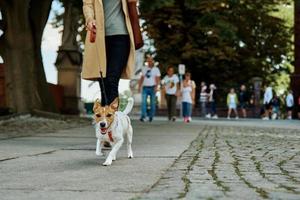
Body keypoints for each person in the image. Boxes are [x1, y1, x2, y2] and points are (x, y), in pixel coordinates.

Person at [82, 0, 137, 107]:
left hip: (121, 35)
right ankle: (105, 119)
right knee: (103, 81)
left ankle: (112, 121)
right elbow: (87, 4)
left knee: (112, 79)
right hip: (99, 37)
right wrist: (89, 19)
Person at [138, 56, 161, 122]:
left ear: (152, 61)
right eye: (148, 61)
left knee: (152, 103)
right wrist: (139, 87)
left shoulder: (156, 69)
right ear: (147, 62)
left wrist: (157, 87)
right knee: (143, 102)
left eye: (150, 61)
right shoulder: (144, 68)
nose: (149, 62)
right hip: (145, 87)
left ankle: (151, 116)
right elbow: (142, 78)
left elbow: (158, 79)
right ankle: (143, 116)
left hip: (152, 87)